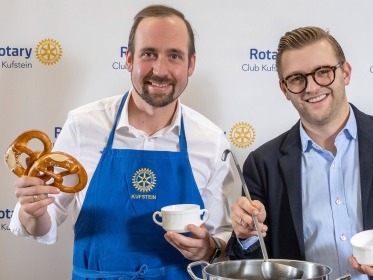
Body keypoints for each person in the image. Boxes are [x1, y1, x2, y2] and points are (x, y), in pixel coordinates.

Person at [10, 5, 233, 279]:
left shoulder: (210, 140)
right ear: (129, 60)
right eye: (148, 54)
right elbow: (45, 221)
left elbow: (224, 235)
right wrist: (33, 213)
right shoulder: (84, 125)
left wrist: (209, 248)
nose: (160, 69)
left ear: (191, 64)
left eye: (174, 56)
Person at [225, 26, 373, 280]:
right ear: (284, 89)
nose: (311, 87)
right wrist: (246, 236)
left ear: (345, 72)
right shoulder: (262, 164)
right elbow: (251, 264)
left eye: (323, 72)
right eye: (296, 78)